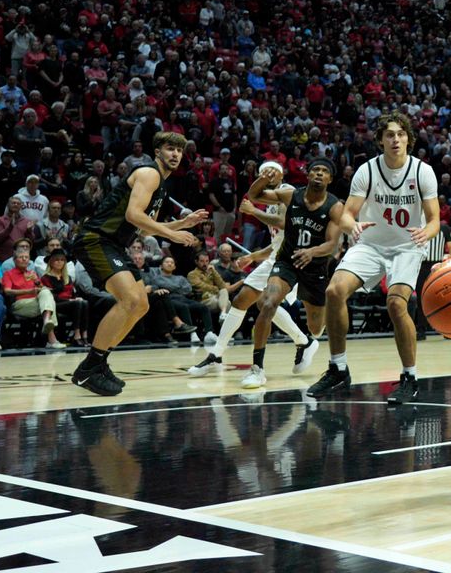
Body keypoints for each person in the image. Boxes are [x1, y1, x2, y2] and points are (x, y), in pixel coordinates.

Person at [310, 113, 438, 401]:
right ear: (380, 140)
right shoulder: (367, 170)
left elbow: (434, 220)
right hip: (370, 245)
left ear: (409, 139)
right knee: (334, 291)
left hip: (407, 246)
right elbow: (346, 215)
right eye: (389, 134)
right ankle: (338, 368)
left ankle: (409, 376)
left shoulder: (423, 172)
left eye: (401, 134)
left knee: (395, 304)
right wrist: (351, 226)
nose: (395, 139)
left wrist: (426, 234)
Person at [69, 132, 206, 395]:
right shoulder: (149, 173)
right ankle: (89, 369)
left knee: (141, 304)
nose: (176, 154)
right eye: (170, 148)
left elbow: (142, 230)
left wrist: (182, 224)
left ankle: (98, 363)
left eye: (180, 150)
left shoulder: (161, 186)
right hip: (95, 239)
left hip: (115, 244)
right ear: (157, 152)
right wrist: (173, 234)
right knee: (130, 300)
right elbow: (133, 214)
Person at [188, 161, 320, 384]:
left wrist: (253, 212)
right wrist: (252, 257)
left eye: (270, 172)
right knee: (241, 300)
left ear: (280, 174)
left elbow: (285, 224)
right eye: (262, 173)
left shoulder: (288, 192)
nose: (266, 175)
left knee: (266, 305)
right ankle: (216, 355)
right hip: (274, 258)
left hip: (294, 261)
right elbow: (277, 242)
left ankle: (265, 363)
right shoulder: (269, 202)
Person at [238, 158, 347, 389]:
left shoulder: (335, 206)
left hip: (315, 267)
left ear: (329, 179)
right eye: (315, 169)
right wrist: (263, 178)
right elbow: (254, 195)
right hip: (287, 261)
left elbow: (332, 245)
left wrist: (312, 252)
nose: (318, 173)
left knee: (316, 328)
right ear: (307, 175)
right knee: (267, 303)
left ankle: (309, 340)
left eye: (324, 171)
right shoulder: (291, 195)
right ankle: (257, 369)